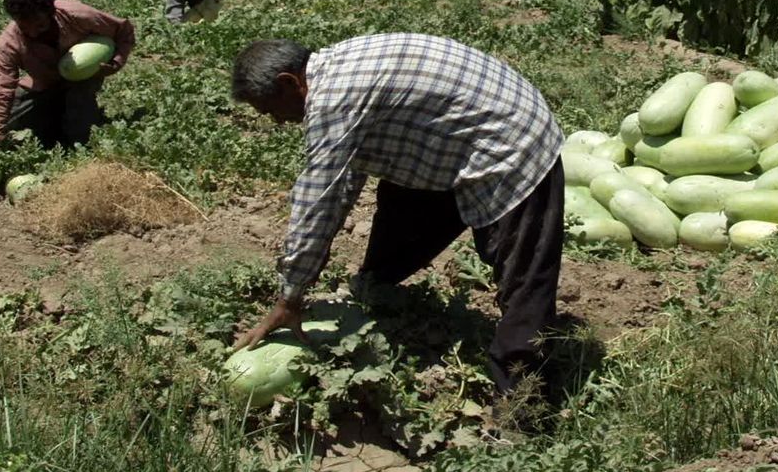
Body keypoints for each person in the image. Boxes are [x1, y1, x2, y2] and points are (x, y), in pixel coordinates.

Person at [229, 32, 565, 394]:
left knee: (523, 278)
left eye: (269, 110)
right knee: (403, 202)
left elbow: (319, 202)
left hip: (513, 143)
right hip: (458, 138)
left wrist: (290, 297)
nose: (277, 122)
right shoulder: (335, 68)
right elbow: (344, 181)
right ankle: (377, 290)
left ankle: (524, 401)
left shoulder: (332, 100)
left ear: (289, 82)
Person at [0, 0, 135, 159]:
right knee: (12, 127)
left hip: (83, 78)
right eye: (24, 27)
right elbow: (0, 89)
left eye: (40, 26)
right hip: (44, 82)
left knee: (80, 138)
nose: (33, 33)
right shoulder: (10, 43)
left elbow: (123, 31)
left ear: (51, 14)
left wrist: (116, 62)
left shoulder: (79, 15)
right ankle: (57, 109)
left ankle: (77, 114)